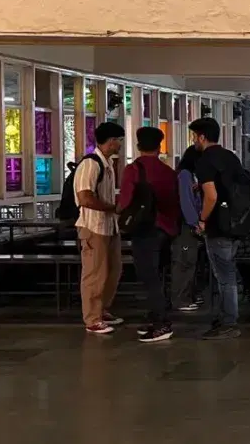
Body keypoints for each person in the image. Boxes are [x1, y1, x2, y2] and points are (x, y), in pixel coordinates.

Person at [118, 127, 179, 343]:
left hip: (145, 230)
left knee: (149, 277)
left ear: (137, 145)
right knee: (160, 275)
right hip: (167, 230)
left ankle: (161, 323)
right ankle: (156, 317)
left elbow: (125, 202)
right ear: (159, 146)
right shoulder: (169, 172)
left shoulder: (133, 170)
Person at [191, 117, 248, 340]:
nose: (194, 141)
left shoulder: (204, 161)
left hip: (218, 225)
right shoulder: (230, 156)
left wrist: (202, 219)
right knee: (228, 274)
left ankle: (229, 322)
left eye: (195, 136)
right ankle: (226, 316)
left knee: (225, 277)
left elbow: (212, 196)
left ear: (202, 137)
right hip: (236, 223)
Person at [75, 122, 125, 334]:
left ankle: (103, 308)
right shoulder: (91, 164)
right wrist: (112, 207)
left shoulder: (107, 164)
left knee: (113, 270)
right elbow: (85, 197)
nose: (121, 145)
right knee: (95, 273)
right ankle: (92, 318)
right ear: (111, 141)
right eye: (119, 140)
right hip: (93, 227)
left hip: (109, 227)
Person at [171, 146, 204, 313]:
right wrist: (195, 223)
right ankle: (181, 300)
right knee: (184, 262)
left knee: (190, 262)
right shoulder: (184, 175)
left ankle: (188, 296)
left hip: (190, 223)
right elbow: (186, 202)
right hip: (186, 225)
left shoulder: (190, 176)